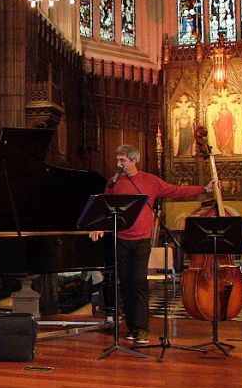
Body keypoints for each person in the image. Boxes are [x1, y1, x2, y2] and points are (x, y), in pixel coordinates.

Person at [89, 145, 215, 344]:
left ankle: (142, 329)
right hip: (121, 240)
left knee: (138, 282)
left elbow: (175, 191)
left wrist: (204, 189)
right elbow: (106, 207)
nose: (118, 164)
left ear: (133, 161)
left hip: (141, 241)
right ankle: (131, 326)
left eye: (122, 160)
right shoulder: (113, 183)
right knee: (126, 284)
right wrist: (100, 226)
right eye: (117, 160)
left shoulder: (150, 181)